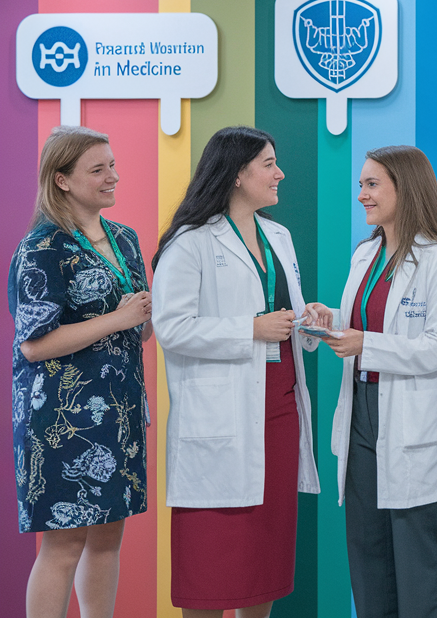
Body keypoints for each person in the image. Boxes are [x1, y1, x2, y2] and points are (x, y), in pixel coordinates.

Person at [151, 126, 321, 618]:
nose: (279, 173)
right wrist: (250, 329)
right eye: (269, 163)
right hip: (219, 416)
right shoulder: (190, 241)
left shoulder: (278, 235)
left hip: (278, 409)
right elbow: (172, 328)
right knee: (208, 565)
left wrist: (309, 321)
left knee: (262, 560)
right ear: (237, 173)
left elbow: (280, 313)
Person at [302, 145, 437, 618]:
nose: (361, 195)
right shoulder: (366, 254)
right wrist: (328, 318)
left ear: (406, 188)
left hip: (411, 418)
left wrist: (366, 345)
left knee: (418, 561)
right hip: (361, 415)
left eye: (372, 184)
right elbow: (365, 319)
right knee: (368, 553)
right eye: (360, 184)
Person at [8, 126, 151, 618]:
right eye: (98, 169)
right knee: (64, 545)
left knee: (109, 538)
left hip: (121, 412)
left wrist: (146, 317)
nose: (114, 176)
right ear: (63, 179)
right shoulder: (41, 248)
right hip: (62, 422)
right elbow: (33, 346)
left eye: (112, 164)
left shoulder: (126, 240)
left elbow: (138, 332)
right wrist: (120, 317)